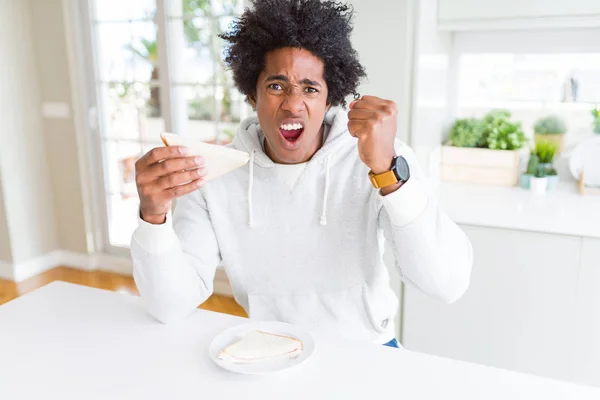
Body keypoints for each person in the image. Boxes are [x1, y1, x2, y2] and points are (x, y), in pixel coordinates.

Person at [131, 0, 472, 348]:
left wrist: (389, 173)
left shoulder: (378, 159)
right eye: (276, 86)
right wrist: (153, 218)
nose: (293, 104)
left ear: (329, 101)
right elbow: (170, 306)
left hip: (368, 351)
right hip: (268, 352)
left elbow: (447, 283)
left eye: (310, 89)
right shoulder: (216, 175)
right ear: (252, 94)